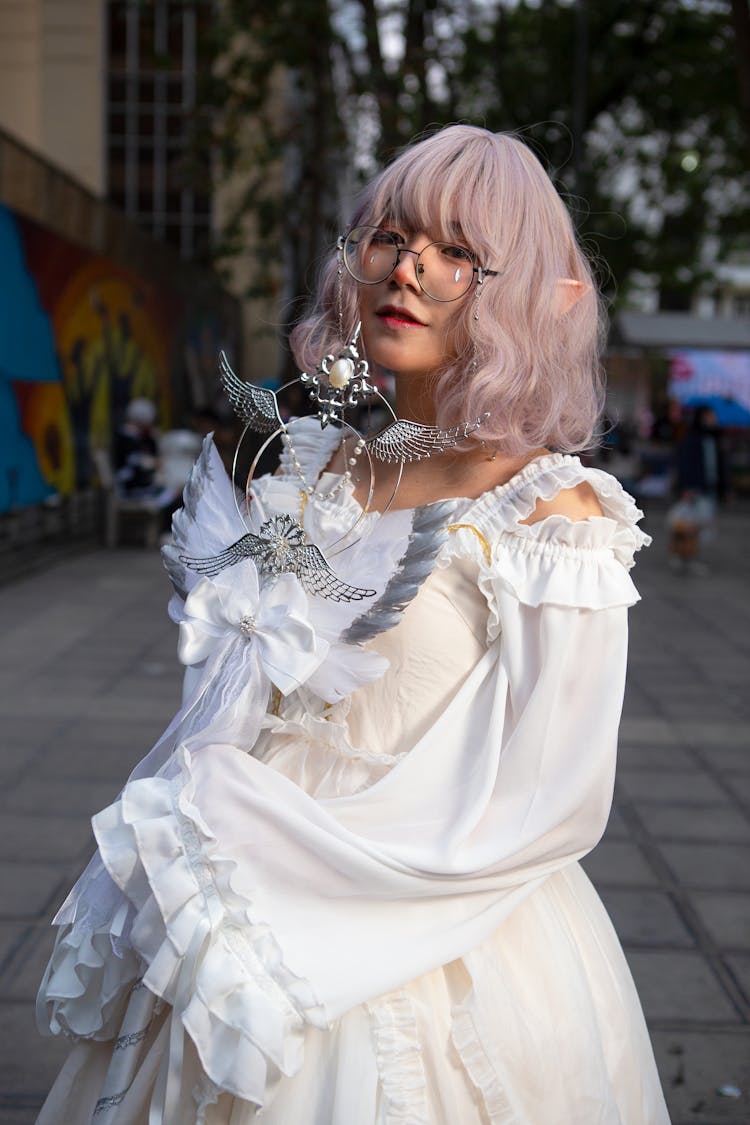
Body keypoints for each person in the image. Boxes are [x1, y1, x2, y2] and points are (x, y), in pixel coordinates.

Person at [36, 126, 670, 1123]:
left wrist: (301, 896)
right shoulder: (310, 466)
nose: (407, 266)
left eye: (457, 251)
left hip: (437, 931)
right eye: (390, 233)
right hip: (228, 901)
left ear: (512, 291)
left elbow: (559, 799)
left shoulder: (554, 512)